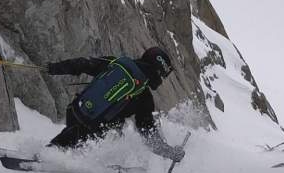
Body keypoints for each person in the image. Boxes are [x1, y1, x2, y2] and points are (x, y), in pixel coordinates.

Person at [45, 47, 186, 163]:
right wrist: (170, 152)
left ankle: (49, 154)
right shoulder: (144, 96)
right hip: (95, 130)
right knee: (109, 132)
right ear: (158, 72)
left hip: (76, 110)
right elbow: (148, 133)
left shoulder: (116, 63)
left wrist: (53, 68)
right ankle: (90, 165)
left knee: (73, 134)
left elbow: (83, 64)